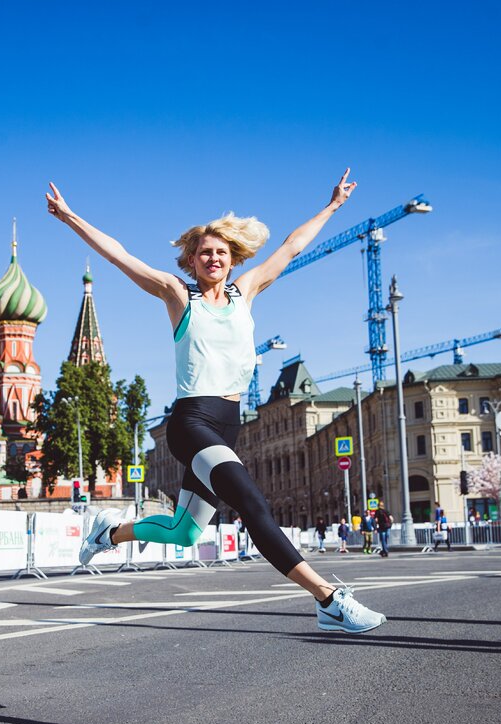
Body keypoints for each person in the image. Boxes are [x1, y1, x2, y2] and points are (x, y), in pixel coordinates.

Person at [47, 171, 385, 634]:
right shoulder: (177, 295)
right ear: (191, 259)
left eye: (221, 252)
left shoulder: (245, 292)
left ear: (232, 259)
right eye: (205, 252)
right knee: (251, 501)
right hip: (193, 422)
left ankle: (109, 532)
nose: (214, 258)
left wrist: (333, 207)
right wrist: (70, 218)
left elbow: (291, 246)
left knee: (184, 532)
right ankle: (328, 598)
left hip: (228, 426)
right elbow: (120, 254)